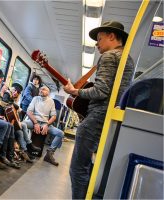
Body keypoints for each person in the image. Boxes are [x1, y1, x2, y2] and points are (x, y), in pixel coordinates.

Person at [63, 21, 135, 199]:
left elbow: (100, 91)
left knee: (78, 168)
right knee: (92, 166)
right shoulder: (128, 58)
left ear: (112, 36)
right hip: (109, 118)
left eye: (99, 39)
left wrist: (74, 91)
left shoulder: (110, 56)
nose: (96, 44)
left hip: (97, 117)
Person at [24, 85, 64, 166]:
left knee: (60, 133)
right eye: (40, 89)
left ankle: (49, 153)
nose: (41, 90)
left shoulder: (51, 101)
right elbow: (29, 112)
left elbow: (54, 116)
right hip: (34, 121)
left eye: (44, 89)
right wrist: (35, 123)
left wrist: (47, 124)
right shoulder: (35, 99)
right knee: (21, 124)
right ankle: (24, 149)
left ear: (48, 93)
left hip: (45, 124)